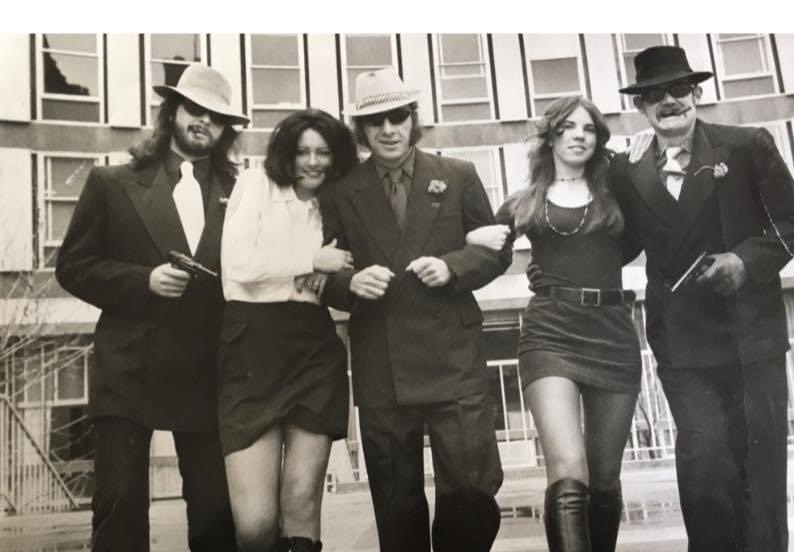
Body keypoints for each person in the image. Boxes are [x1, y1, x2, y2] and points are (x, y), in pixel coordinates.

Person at [612, 45, 794, 552]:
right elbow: (619, 244)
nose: (669, 102)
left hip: (752, 338)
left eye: (679, 89)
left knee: (759, 466)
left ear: (697, 93)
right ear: (641, 107)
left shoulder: (747, 145)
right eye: (654, 95)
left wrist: (746, 260)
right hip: (682, 343)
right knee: (704, 463)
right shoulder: (627, 169)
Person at [55, 63, 248, 552]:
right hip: (128, 371)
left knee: (215, 516)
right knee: (118, 513)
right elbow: (73, 266)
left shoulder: (240, 194)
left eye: (216, 117)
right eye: (193, 110)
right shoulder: (111, 182)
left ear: (226, 130)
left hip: (206, 373)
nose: (202, 121)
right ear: (172, 112)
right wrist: (143, 281)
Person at [319, 68, 510, 552]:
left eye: (397, 116)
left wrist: (452, 268)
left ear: (412, 119)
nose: (388, 129)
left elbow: (494, 249)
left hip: (454, 359)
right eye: (375, 120)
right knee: (396, 500)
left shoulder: (458, 175)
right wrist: (350, 283)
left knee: (471, 488)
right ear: (360, 129)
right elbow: (323, 273)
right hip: (383, 362)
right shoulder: (341, 191)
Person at [467, 96, 642, 552]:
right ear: (552, 136)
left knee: (604, 479)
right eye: (568, 127)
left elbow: (643, 238)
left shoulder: (618, 196)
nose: (579, 135)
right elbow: (483, 255)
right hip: (551, 335)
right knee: (567, 468)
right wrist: (466, 239)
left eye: (589, 128)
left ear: (599, 139)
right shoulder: (524, 202)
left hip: (612, 334)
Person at [217, 109, 358, 552]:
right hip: (252, 345)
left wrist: (329, 273)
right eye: (302, 152)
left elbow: (348, 269)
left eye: (323, 152)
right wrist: (310, 261)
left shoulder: (337, 202)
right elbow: (238, 267)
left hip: (313, 346)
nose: (313, 162)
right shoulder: (256, 184)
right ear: (286, 154)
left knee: (300, 508)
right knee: (256, 524)